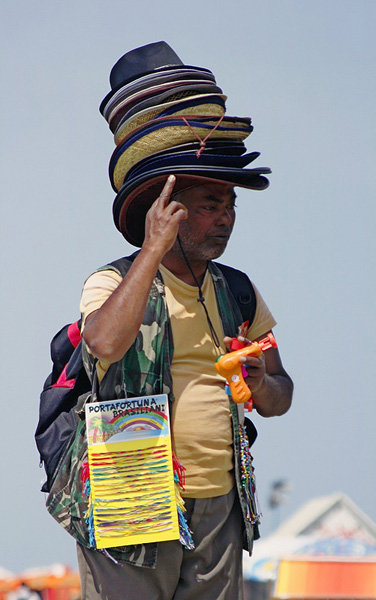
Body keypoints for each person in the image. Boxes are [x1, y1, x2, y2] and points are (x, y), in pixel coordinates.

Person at [76, 42, 293, 600]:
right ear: (167, 207)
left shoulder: (238, 292)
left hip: (221, 505)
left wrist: (262, 383)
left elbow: (280, 394)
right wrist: (153, 248)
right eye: (209, 205)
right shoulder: (113, 281)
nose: (225, 220)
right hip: (131, 494)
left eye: (230, 207)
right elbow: (101, 342)